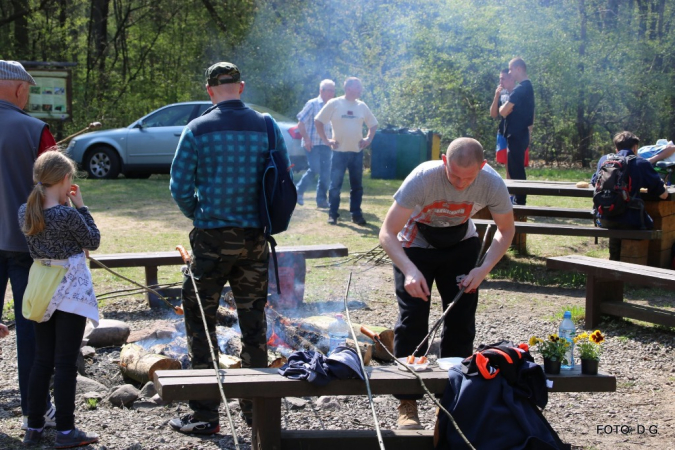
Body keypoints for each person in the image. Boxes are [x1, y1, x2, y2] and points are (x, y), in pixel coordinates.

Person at [169, 62, 289, 434]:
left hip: (211, 241)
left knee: (200, 323)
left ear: (209, 90)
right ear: (240, 87)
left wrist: (200, 214)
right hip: (255, 239)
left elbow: (179, 187)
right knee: (253, 322)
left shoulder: (196, 129)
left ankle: (205, 415)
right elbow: (282, 175)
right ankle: (256, 414)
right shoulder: (268, 126)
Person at [379, 137, 515, 430]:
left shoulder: (491, 182)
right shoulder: (423, 178)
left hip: (461, 243)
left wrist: (482, 269)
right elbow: (387, 232)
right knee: (413, 317)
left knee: (461, 317)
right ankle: (407, 401)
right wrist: (410, 270)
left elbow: (506, 230)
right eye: (454, 175)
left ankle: (453, 398)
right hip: (415, 243)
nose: (462, 184)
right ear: (444, 161)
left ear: (483, 166)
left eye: (470, 177)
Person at [18, 151, 100, 448]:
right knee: (65, 364)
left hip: (41, 289)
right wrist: (81, 207)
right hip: (69, 293)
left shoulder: (24, 211)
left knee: (42, 360)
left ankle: (34, 427)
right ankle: (66, 431)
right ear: (65, 179)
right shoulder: (67, 214)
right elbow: (93, 241)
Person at [0, 60, 57, 431]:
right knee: (31, 327)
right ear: (20, 90)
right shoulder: (35, 129)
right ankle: (35, 411)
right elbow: (58, 193)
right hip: (27, 244)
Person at [591, 131, 668, 261]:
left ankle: (614, 263)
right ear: (635, 147)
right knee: (649, 223)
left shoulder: (604, 160)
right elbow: (663, 195)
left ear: (616, 148)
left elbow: (594, 181)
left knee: (616, 222)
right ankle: (642, 265)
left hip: (605, 217)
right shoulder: (640, 163)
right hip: (631, 222)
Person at [315, 77, 378, 225]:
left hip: (356, 152)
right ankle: (333, 214)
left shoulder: (362, 106)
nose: (360, 90)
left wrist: (368, 139)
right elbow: (318, 121)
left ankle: (356, 214)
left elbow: (373, 124)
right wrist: (326, 140)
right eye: (358, 87)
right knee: (335, 185)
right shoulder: (335, 103)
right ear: (348, 88)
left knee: (357, 186)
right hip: (339, 152)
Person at [499, 57, 535, 205]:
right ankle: (518, 199)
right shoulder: (527, 87)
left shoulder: (521, 89)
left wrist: (503, 109)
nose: (509, 72)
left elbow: (503, 111)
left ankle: (520, 201)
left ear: (519, 69)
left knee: (516, 169)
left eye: (511, 69)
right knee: (514, 168)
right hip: (519, 134)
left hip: (517, 134)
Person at [295, 79, 336, 208]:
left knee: (326, 173)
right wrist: (306, 139)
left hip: (326, 144)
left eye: (333, 91)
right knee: (315, 168)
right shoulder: (312, 104)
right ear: (321, 91)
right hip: (312, 143)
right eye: (329, 90)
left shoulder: (333, 105)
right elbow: (301, 123)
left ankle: (321, 200)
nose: (331, 93)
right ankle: (298, 191)